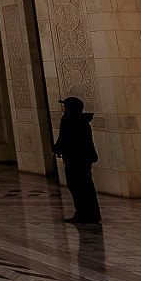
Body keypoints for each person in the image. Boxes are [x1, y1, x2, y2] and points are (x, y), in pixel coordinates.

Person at [52, 96, 100, 225]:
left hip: (75, 159)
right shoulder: (82, 121)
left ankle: (82, 214)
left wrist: (57, 149)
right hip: (84, 159)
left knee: (76, 186)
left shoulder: (68, 120)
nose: (62, 107)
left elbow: (64, 137)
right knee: (86, 186)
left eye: (64, 105)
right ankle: (92, 214)